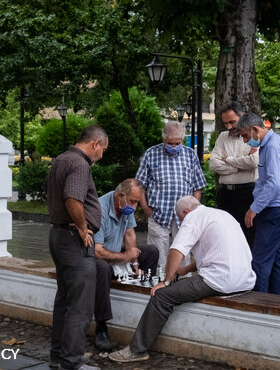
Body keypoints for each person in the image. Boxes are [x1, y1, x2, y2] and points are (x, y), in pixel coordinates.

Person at [108, 196, 256, 363]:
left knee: (162, 296)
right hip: (245, 281)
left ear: (186, 211)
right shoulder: (220, 215)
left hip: (221, 282)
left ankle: (137, 350)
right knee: (178, 286)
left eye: (180, 219)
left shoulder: (193, 217)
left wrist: (166, 282)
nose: (180, 222)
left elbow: (176, 250)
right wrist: (185, 269)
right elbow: (214, 256)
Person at [46, 125, 108, 370]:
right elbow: (73, 198)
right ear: (95, 144)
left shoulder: (60, 159)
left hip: (58, 236)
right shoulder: (80, 164)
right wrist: (83, 227)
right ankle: (71, 365)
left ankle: (58, 356)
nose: (102, 155)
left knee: (64, 299)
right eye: (103, 149)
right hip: (74, 239)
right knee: (80, 305)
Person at [93, 179, 159, 351]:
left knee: (151, 251)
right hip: (98, 259)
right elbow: (97, 251)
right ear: (121, 195)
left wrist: (135, 262)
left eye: (137, 202)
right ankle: (101, 327)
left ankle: (142, 303)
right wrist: (124, 257)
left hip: (117, 256)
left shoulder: (125, 206)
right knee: (102, 268)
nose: (135, 207)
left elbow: (130, 234)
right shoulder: (99, 208)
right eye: (133, 201)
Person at [135, 121, 207, 272]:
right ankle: (156, 287)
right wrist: (145, 207)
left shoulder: (190, 154)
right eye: (170, 143)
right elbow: (139, 184)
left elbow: (198, 186)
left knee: (183, 255)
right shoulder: (151, 154)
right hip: (158, 213)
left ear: (182, 140)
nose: (174, 146)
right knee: (157, 255)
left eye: (177, 143)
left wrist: (195, 211)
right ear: (164, 140)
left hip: (184, 215)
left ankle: (181, 289)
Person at [237, 113, 280, 295]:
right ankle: (277, 301)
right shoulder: (269, 144)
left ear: (255, 129)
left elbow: (273, 183)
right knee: (274, 259)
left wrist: (254, 209)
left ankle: (257, 305)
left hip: (274, 211)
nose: (246, 141)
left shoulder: (273, 147)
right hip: (275, 210)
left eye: (245, 135)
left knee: (259, 261)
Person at [208, 102, 258, 249]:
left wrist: (228, 160)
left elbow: (253, 162)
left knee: (248, 237)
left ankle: (249, 270)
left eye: (232, 122)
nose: (229, 127)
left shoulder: (253, 135)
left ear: (242, 117)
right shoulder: (223, 137)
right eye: (225, 123)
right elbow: (213, 165)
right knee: (225, 237)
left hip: (247, 194)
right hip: (225, 195)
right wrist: (238, 167)